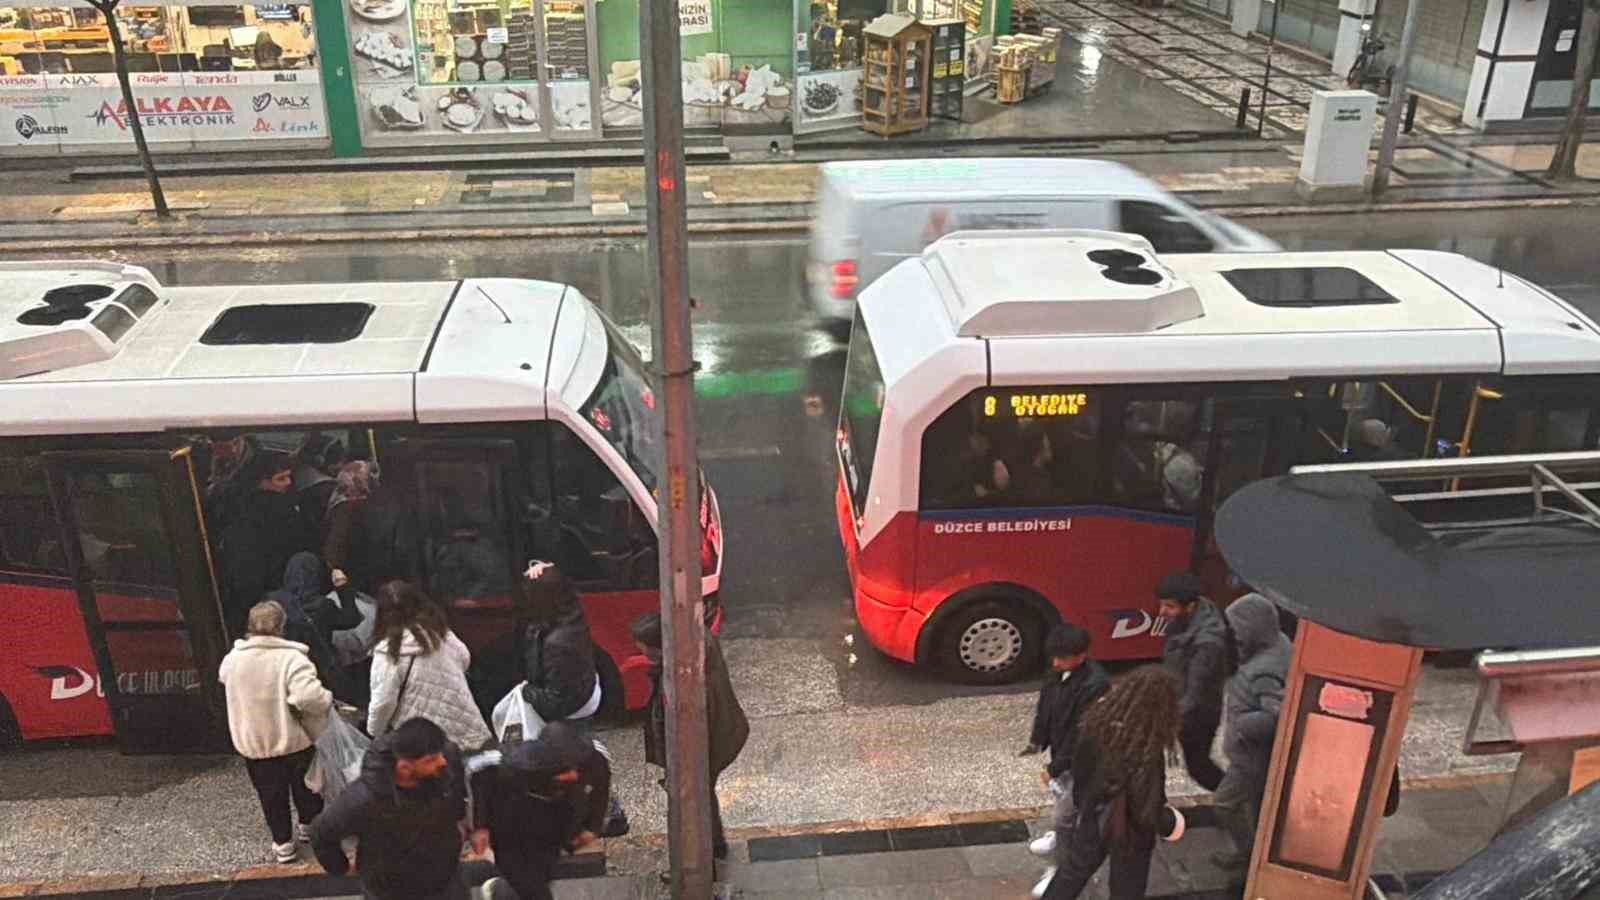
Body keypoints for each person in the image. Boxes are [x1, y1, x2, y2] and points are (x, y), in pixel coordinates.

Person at [1041, 666, 1186, 900]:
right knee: (1127, 886)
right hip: (1130, 831)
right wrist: (1169, 823)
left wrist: (1085, 805)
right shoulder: (1146, 744)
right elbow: (1145, 803)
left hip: (1093, 815)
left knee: (1073, 872)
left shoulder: (1096, 722)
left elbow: (1081, 772)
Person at [218, 600, 333, 864]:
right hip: (294, 741)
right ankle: (308, 828)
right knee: (306, 788)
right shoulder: (292, 659)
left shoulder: (233, 660)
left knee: (271, 795)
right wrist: (327, 699)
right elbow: (309, 697)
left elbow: (224, 678)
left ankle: (283, 844)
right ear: (282, 626)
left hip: (255, 743)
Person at [310, 717, 469, 900]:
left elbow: (456, 789)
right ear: (404, 768)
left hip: (446, 878)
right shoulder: (362, 799)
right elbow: (321, 832)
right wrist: (341, 867)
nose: (442, 761)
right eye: (431, 759)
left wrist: (459, 819)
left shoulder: (446, 758)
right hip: (391, 889)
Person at [632, 612, 749, 860]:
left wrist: (680, 768)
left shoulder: (685, 679)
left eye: (646, 652)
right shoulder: (694, 645)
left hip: (705, 748)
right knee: (703, 796)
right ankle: (715, 847)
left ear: (660, 648)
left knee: (693, 805)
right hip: (721, 736)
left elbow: (691, 731)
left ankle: (703, 858)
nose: (644, 657)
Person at [465, 721, 611, 900]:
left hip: (557, 820)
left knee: (542, 870)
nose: (573, 775)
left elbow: (601, 789)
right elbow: (478, 776)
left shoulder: (593, 758)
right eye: (564, 770)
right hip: (512, 821)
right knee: (529, 882)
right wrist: (480, 826)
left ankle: (505, 892)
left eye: (575, 768)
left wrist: (592, 827)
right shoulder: (511, 766)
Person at [1020, 623, 1111, 898]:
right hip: (1060, 753)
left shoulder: (1095, 685)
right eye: (1054, 657)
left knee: (1064, 818)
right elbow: (1045, 706)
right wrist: (1038, 739)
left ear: (1081, 656)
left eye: (1062, 657)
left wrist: (1055, 766)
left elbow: (1082, 734)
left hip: (1084, 763)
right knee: (1060, 800)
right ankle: (1060, 839)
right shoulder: (1058, 671)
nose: (1056, 662)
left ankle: (1059, 866)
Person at [1213, 592, 1290, 872]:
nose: (1233, 636)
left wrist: (1242, 724)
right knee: (1257, 806)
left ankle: (1249, 855)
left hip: (1251, 756)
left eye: (1237, 629)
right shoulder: (1280, 643)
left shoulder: (1263, 671)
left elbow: (1277, 715)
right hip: (1257, 755)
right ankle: (1259, 854)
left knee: (1225, 804)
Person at [368, 580, 493, 752]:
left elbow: (384, 702)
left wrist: (374, 731)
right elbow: (465, 658)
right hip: (463, 727)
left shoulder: (389, 651)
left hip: (422, 740)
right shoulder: (439, 633)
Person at [218, 450, 314, 639]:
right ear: (262, 482)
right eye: (281, 478)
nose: (288, 483)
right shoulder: (285, 512)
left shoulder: (237, 512)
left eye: (289, 477)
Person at [1156, 571, 1230, 792]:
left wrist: (1167, 722)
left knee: (1198, 766)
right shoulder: (1187, 621)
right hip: (1182, 704)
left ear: (1189, 606)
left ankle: (1234, 799)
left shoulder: (1207, 643)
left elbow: (1195, 692)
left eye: (1169, 606)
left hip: (1198, 714)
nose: (1162, 612)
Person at [268, 552, 364, 705]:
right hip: (318, 673)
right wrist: (342, 586)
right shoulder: (323, 606)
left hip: (284, 672)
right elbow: (351, 619)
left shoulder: (274, 602)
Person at [517, 563, 600, 730]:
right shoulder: (572, 616)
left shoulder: (557, 644)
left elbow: (555, 703)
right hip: (584, 699)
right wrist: (545, 569)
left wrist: (524, 690)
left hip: (567, 718)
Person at [324, 460, 413, 596]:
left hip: (360, 582)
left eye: (345, 488)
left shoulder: (344, 510)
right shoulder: (392, 503)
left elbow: (333, 554)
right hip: (385, 580)